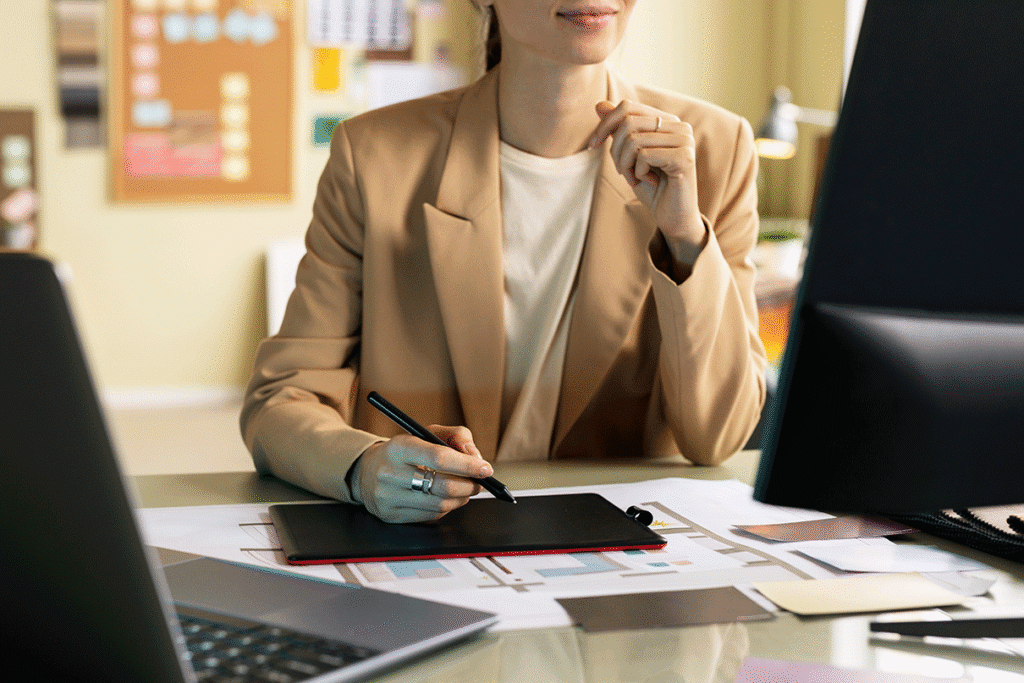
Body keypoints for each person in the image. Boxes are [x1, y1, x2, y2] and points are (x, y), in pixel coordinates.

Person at [241, 0, 767, 523]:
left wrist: (684, 237)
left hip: (620, 556)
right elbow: (280, 403)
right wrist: (362, 466)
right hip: (428, 549)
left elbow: (717, 437)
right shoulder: (374, 155)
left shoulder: (715, 150)